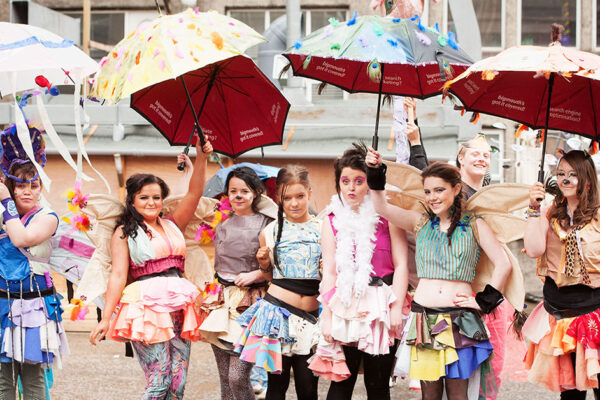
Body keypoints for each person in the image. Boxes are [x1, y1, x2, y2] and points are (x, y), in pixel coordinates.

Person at [366, 148, 513, 400]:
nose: (432, 197)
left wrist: (483, 301)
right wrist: (375, 171)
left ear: (456, 189)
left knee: (458, 396)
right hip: (424, 321)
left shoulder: (475, 224)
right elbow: (381, 206)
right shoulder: (420, 221)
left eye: (439, 190)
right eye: (427, 191)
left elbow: (504, 264)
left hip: (461, 321)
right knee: (429, 396)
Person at [89, 137, 213, 399]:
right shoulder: (124, 232)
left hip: (179, 302)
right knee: (159, 381)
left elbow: (194, 193)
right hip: (145, 307)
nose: (151, 202)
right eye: (143, 197)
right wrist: (105, 318)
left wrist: (202, 158)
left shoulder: (172, 223)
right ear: (132, 201)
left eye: (156, 197)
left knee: (177, 383)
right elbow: (118, 276)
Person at [310, 144, 408, 400]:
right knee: (342, 382)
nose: (351, 187)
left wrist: (396, 308)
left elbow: (401, 265)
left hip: (382, 303)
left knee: (378, 385)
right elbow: (330, 272)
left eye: (359, 181)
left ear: (369, 184)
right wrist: (328, 317)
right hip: (345, 302)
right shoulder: (331, 220)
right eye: (345, 181)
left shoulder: (387, 216)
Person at [234, 165, 321, 400]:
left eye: (300, 196)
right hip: (277, 316)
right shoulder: (270, 231)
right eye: (287, 197)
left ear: (309, 193)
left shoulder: (324, 229)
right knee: (276, 387)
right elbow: (272, 277)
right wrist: (263, 265)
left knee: (308, 389)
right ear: (278, 198)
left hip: (311, 319)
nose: (294, 203)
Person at [523, 150, 600, 398]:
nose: (565, 180)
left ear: (587, 180)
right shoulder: (550, 212)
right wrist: (534, 207)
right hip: (560, 314)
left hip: (593, 313)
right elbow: (534, 250)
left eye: (572, 174)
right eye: (561, 174)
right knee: (570, 391)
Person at [0, 124, 69, 399]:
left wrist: (6, 204)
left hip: (33, 303)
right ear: (11, 185)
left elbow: (22, 239)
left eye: (34, 184)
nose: (27, 191)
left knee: (32, 379)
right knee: (3, 381)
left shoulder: (48, 217)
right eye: (20, 185)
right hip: (2, 302)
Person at [198, 166, 274, 400]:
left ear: (256, 192)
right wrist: (193, 166)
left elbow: (277, 264)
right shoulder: (218, 220)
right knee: (224, 380)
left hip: (252, 302)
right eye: (233, 191)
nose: (238, 196)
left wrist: (256, 275)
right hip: (221, 301)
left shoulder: (268, 223)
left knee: (238, 376)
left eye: (244, 190)